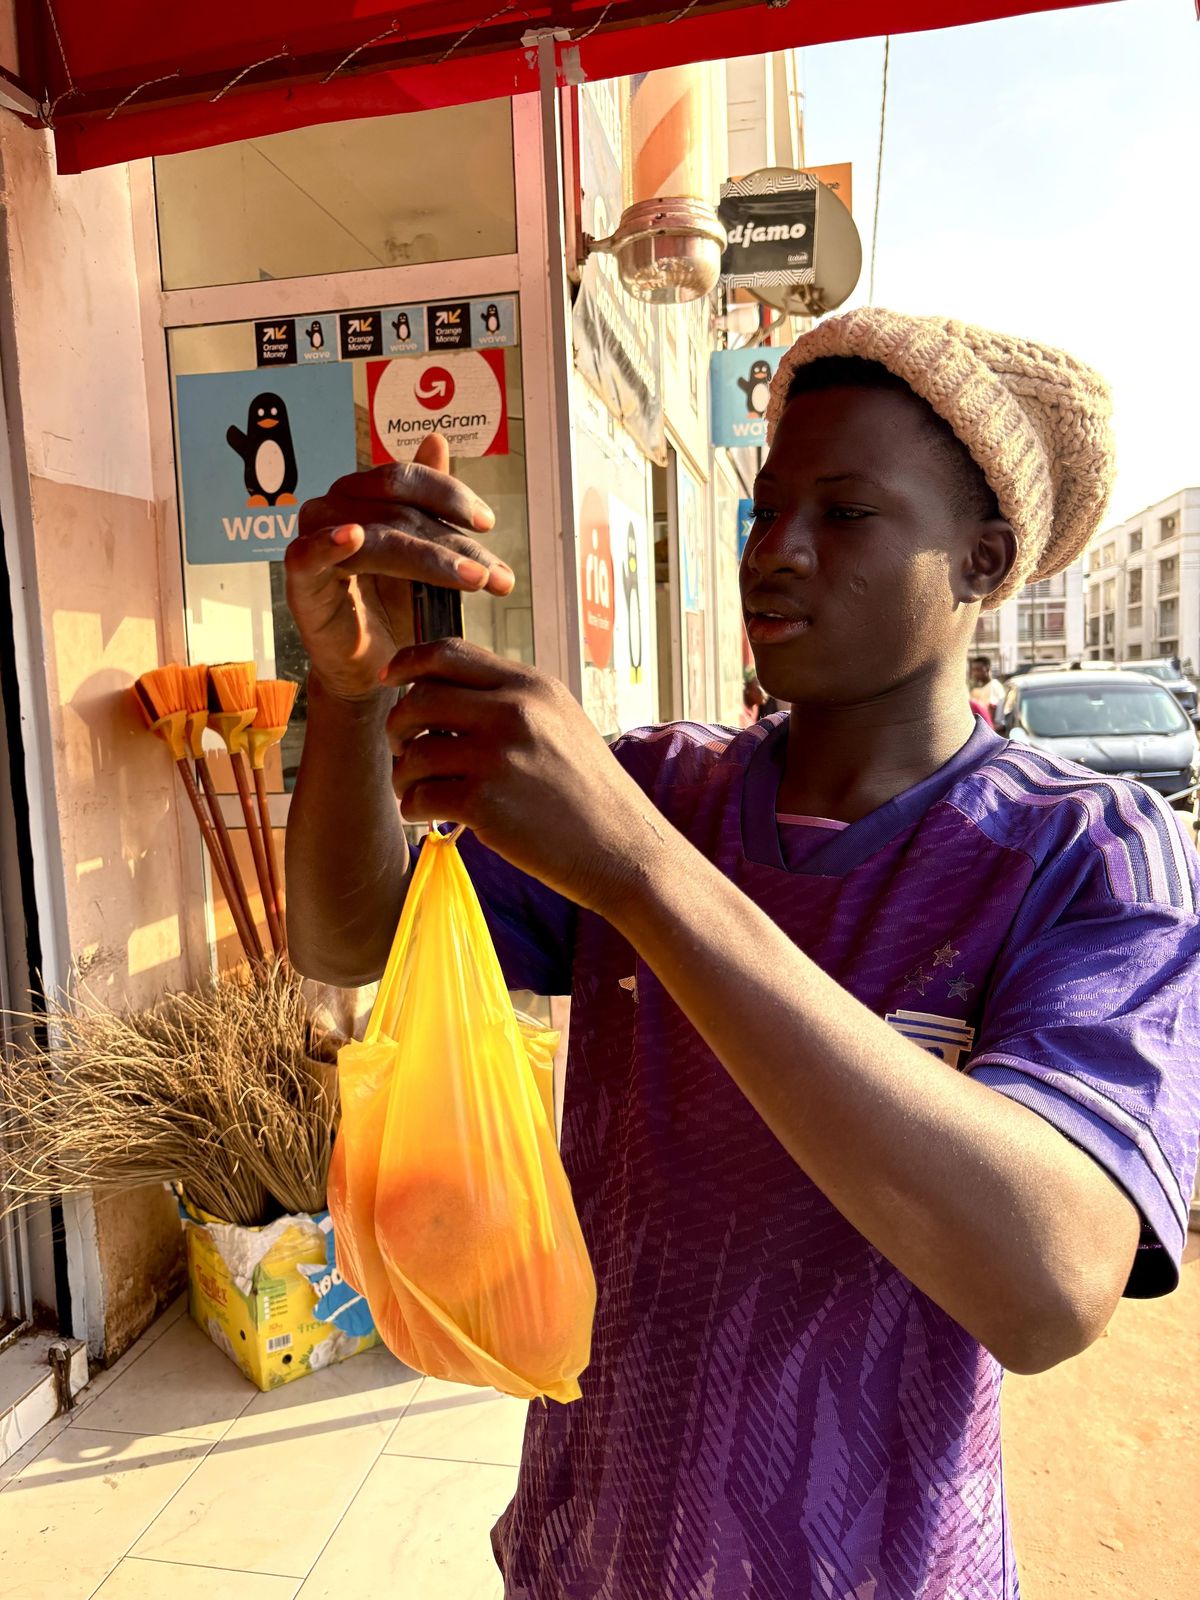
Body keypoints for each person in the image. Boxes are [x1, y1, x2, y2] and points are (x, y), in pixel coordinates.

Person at [284, 308, 1200, 1600]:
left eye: (848, 513)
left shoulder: (1081, 854)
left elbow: (1049, 1284)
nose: (777, 549)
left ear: (984, 561)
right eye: (766, 509)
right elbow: (347, 936)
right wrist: (351, 692)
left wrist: (646, 877)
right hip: (592, 1551)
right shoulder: (660, 783)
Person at [969, 653, 1006, 724]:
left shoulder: (994, 686)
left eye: (978, 670)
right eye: (974, 670)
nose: (975, 673)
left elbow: (993, 710)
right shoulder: (975, 690)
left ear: (988, 669)